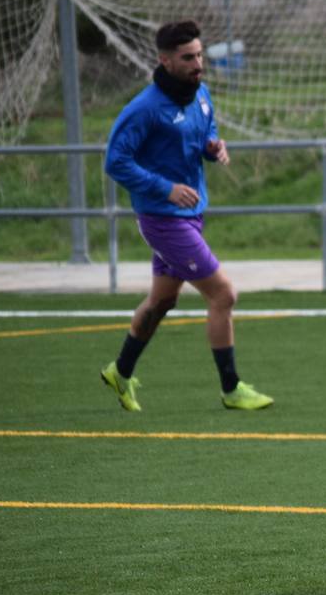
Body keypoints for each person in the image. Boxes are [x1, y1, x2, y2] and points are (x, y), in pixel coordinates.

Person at [100, 20, 273, 412]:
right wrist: (165, 188)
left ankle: (120, 371)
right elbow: (116, 161)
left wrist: (214, 148)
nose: (198, 64)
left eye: (199, 55)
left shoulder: (200, 94)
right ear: (165, 60)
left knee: (162, 302)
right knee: (224, 294)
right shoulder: (143, 109)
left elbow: (204, 136)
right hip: (164, 219)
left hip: (191, 214)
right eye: (188, 58)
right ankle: (231, 388)